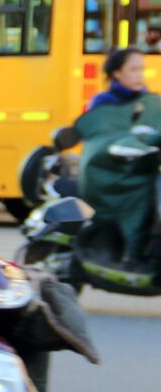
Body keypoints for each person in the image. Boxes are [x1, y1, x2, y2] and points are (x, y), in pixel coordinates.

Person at [78, 47, 158, 269]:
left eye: (141, 69)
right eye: (133, 69)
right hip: (108, 172)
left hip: (138, 168)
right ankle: (133, 257)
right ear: (116, 73)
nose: (139, 75)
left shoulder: (147, 100)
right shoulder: (103, 102)